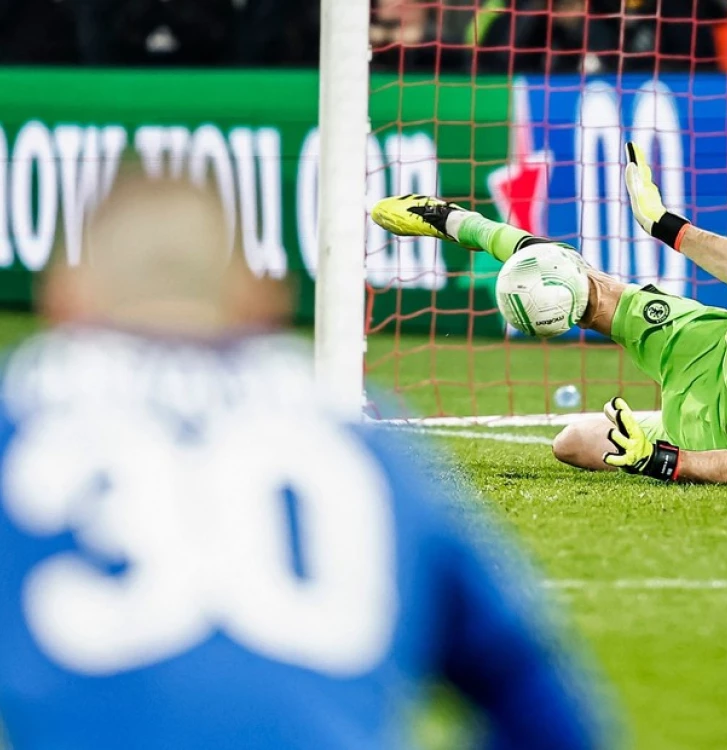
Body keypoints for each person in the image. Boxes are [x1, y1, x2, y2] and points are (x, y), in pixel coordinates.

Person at [0, 176, 604, 749]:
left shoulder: (20, 418)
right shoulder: (361, 441)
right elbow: (535, 694)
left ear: (62, 301)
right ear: (263, 300)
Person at [372, 141, 727, 485]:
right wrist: (662, 222)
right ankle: (456, 222)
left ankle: (657, 424)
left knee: (573, 442)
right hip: (709, 347)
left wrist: (663, 460)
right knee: (582, 288)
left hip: (712, 436)